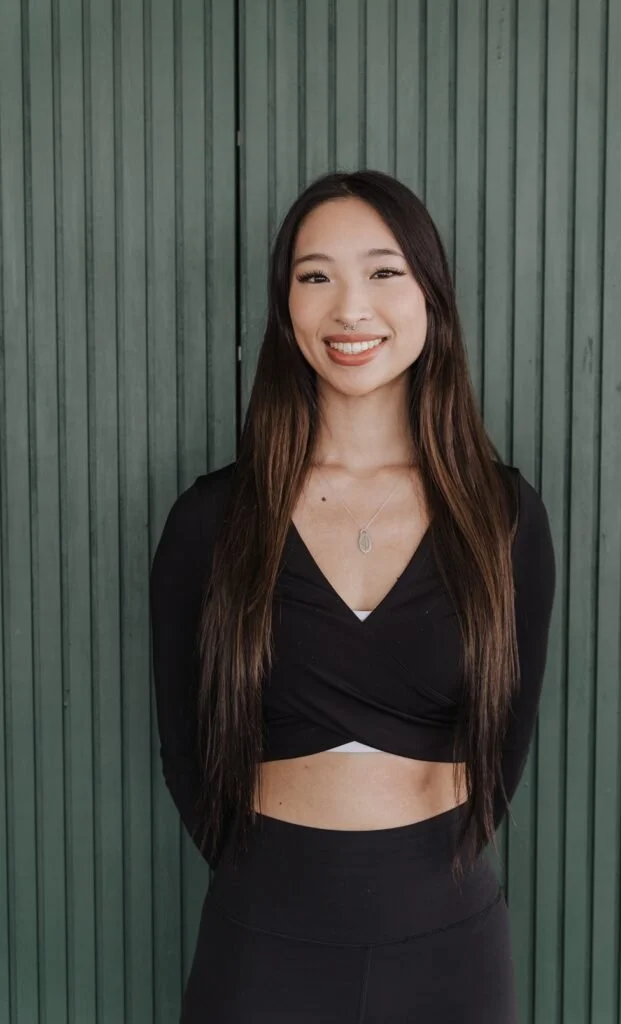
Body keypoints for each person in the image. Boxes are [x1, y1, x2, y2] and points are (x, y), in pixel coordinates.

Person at [149, 169, 556, 1023]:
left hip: (446, 941)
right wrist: (274, 884)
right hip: (262, 937)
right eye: (314, 275)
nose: (349, 308)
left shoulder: (502, 515)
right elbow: (186, 752)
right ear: (284, 305)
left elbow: (505, 743)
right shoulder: (211, 519)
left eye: (382, 271)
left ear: (429, 295)